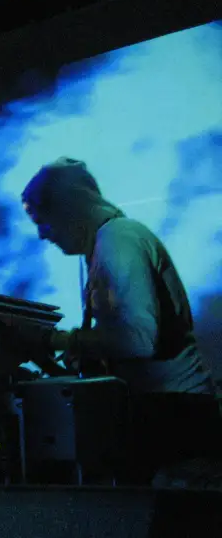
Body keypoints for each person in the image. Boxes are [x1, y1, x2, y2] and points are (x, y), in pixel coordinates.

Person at [21, 157, 220, 480]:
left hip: (175, 415)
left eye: (42, 220)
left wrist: (56, 340)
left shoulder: (118, 241)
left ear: (68, 208)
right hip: (169, 409)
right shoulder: (109, 243)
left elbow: (139, 340)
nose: (43, 234)